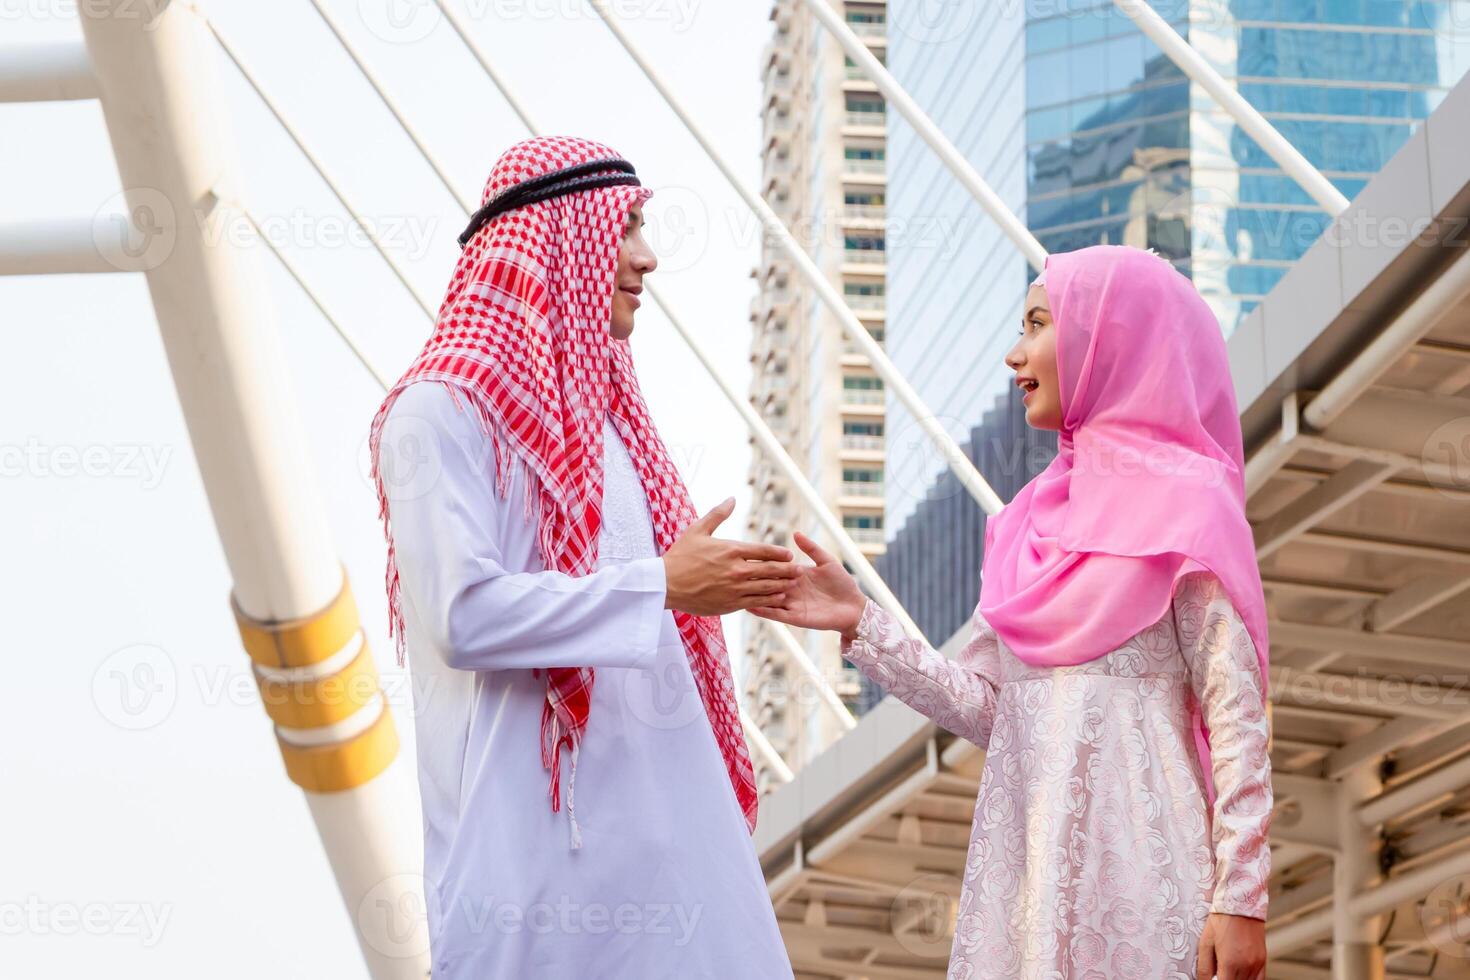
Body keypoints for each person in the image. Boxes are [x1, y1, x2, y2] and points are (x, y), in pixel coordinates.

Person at [752, 244, 1272, 979]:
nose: (1013, 354)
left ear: (1108, 337)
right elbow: (993, 710)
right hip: (1020, 892)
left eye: (1036, 324)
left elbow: (1237, 716)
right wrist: (860, 624)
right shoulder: (1023, 526)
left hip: (1151, 886)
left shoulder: (1191, 504)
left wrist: (1241, 896)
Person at [368, 135, 797, 979]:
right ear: (560, 243)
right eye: (625, 226)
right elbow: (463, 616)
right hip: (534, 870)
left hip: (681, 863)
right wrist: (661, 587)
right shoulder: (436, 414)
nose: (646, 256)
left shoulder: (614, 428)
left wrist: (687, 587)